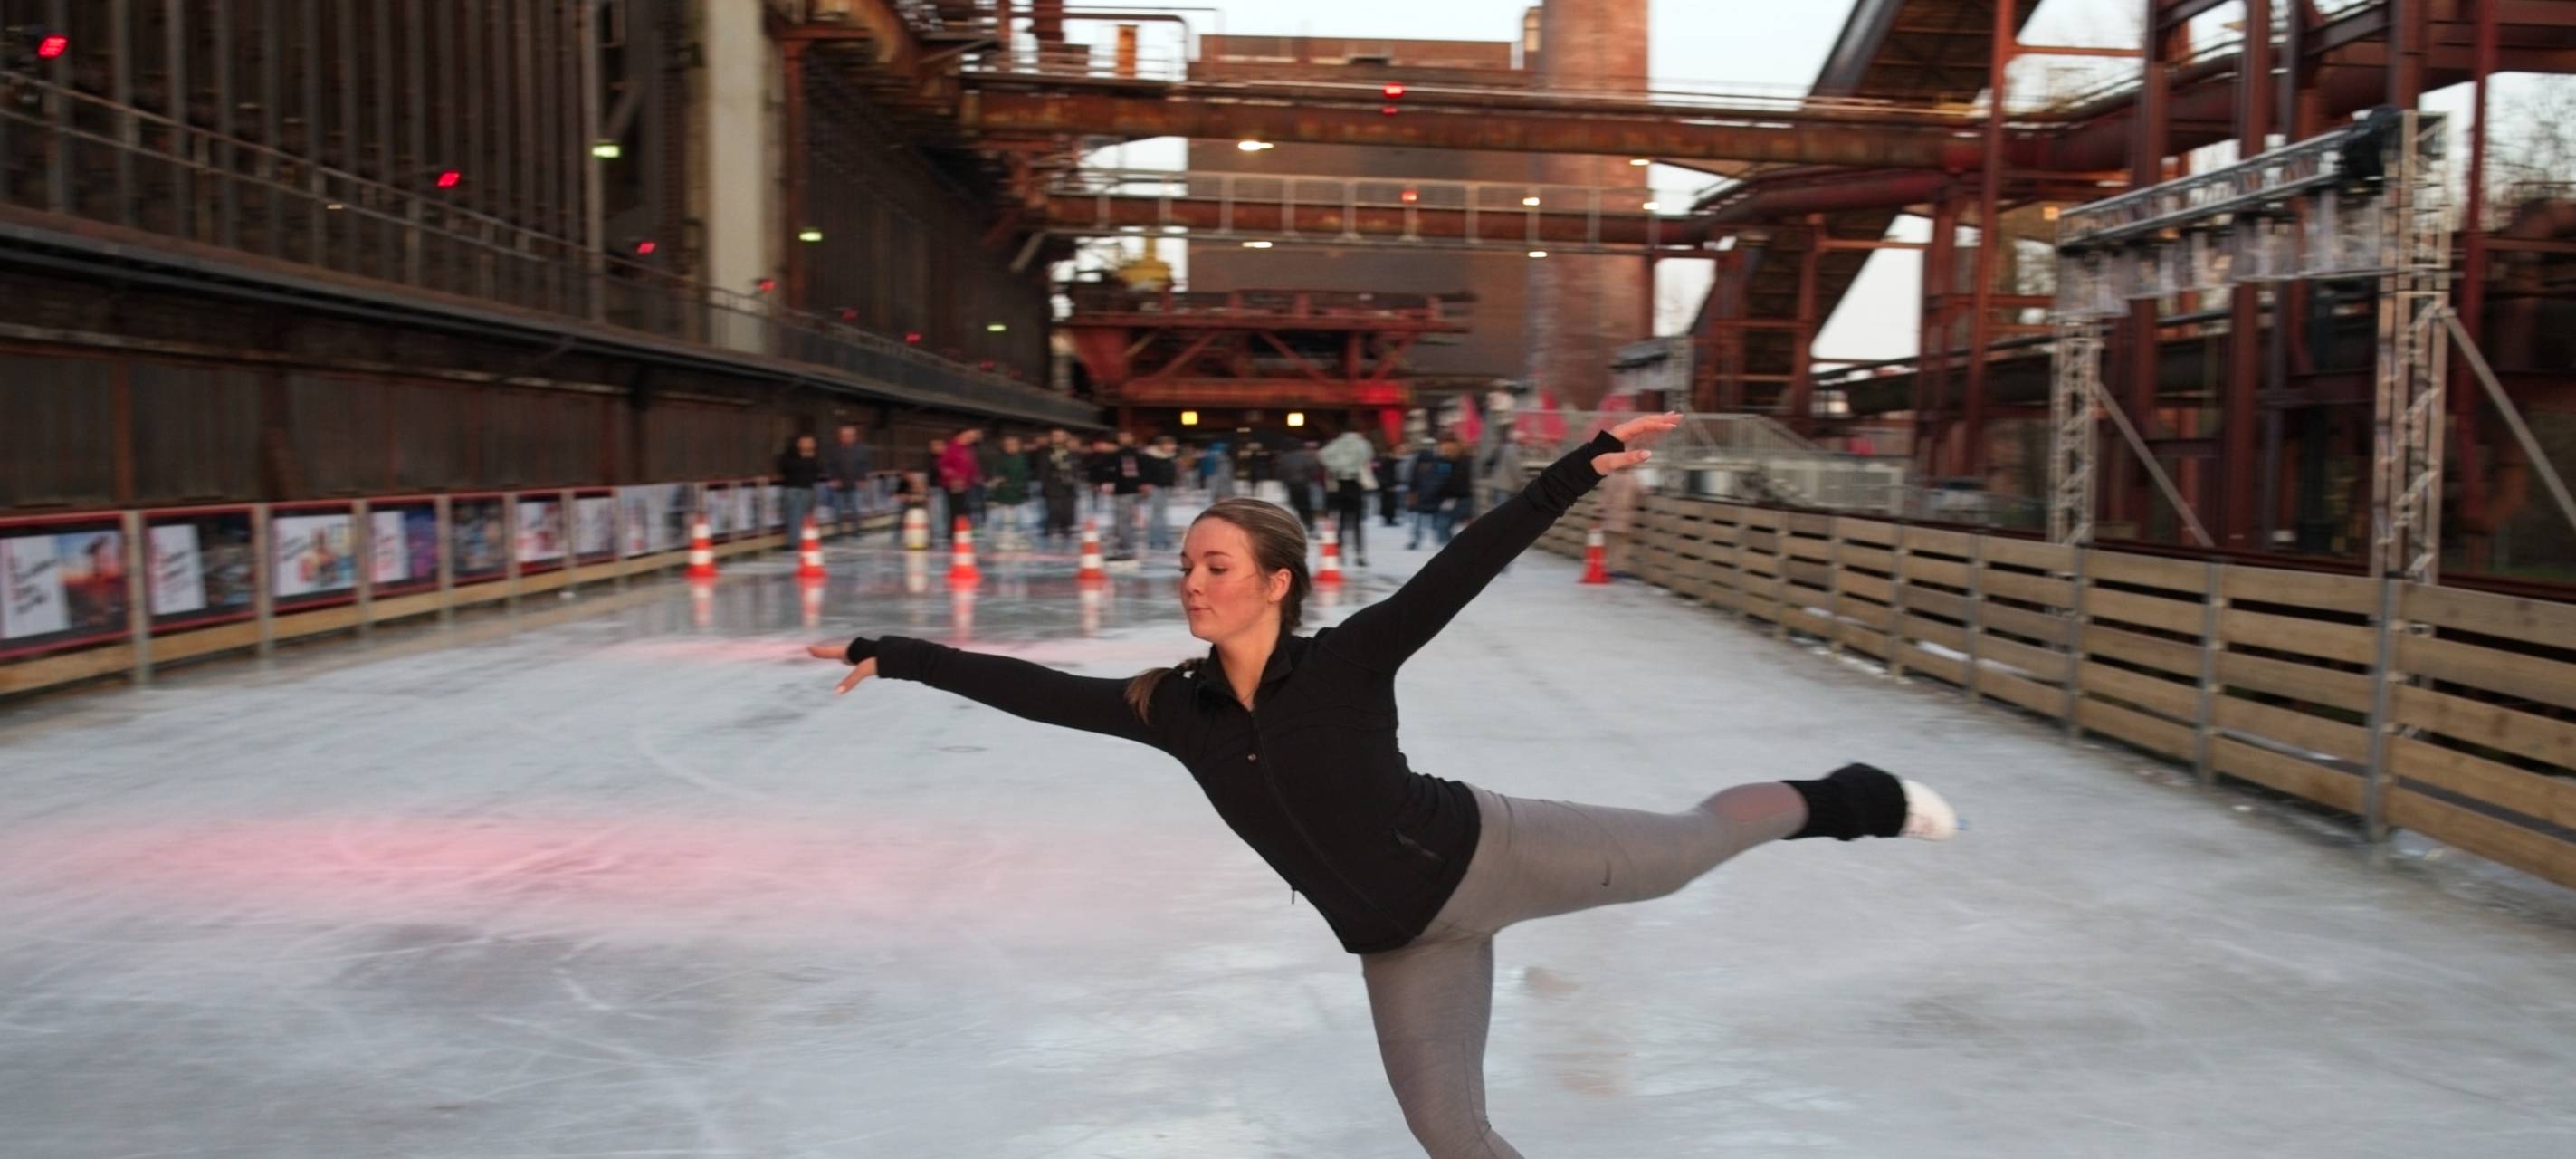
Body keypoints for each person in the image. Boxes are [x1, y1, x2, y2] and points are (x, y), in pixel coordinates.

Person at [805, 412, 1959, 1159]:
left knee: (1686, 848)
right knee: (1449, 1133)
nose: (1190, 581)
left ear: (1275, 580)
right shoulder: (1173, 709)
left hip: (1492, 849)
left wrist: (1573, 467)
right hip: (1404, 944)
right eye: (1185, 565)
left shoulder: (1349, 660)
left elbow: (1466, 560)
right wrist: (897, 652)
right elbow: (1032, 685)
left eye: (1213, 565)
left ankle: (1845, 797)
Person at [1318, 426, 1377, 567]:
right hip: (1355, 483)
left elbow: (1322, 455)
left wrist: (1334, 466)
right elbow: (1369, 456)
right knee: (1357, 522)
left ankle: (1340, 552)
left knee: (1342, 521)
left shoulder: (1336, 444)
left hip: (1339, 483)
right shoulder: (1362, 444)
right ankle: (1359, 554)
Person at [1035, 428, 1084, 547]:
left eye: (1060, 436)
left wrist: (1075, 479)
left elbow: (1076, 468)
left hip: (1069, 488)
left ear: (1066, 438)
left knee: (1068, 512)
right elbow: (1042, 471)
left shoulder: (1072, 452)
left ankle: (1067, 531)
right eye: (1055, 435)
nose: (1058, 438)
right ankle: (1051, 532)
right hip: (1052, 487)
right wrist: (1046, 485)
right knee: (1053, 511)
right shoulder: (1045, 452)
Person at [825, 423, 873, 537]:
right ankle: (838, 533)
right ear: (840, 436)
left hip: (855, 484)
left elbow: (865, 465)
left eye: (849, 435)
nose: (846, 437)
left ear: (854, 436)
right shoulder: (833, 449)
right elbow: (829, 465)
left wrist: (863, 479)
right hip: (838, 484)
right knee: (837, 511)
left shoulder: (861, 449)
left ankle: (857, 531)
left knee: (856, 509)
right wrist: (833, 479)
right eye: (844, 435)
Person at [1104, 430, 1148, 560]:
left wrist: (1142, 484)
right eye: (1122, 436)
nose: (1124, 439)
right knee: (1120, 517)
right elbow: (1110, 472)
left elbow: (1138, 472)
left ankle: (1125, 544)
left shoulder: (1136, 454)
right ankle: (1121, 542)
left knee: (1125, 518)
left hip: (1129, 490)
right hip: (1119, 489)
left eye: (1127, 436)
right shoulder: (1115, 455)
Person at [776, 434, 824, 550]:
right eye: (805, 442)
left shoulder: (815, 457)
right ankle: (793, 544)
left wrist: (810, 458)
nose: (808, 445)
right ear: (799, 443)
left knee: (807, 518)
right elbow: (784, 468)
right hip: (793, 489)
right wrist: (804, 459)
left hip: (808, 489)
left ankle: (806, 541)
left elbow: (818, 471)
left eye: (810, 442)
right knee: (793, 517)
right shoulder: (790, 455)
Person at [938, 431, 983, 545]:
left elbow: (971, 465)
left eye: (973, 438)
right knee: (955, 510)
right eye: (969, 436)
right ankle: (953, 535)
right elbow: (943, 465)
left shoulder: (967, 449)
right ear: (960, 435)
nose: (971, 439)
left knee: (964, 510)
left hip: (966, 484)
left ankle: (961, 532)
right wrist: (954, 478)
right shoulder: (951, 448)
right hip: (952, 485)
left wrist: (976, 476)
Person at [990, 434, 1034, 551]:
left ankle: (1019, 539)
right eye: (1007, 445)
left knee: (1021, 519)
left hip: (1019, 494)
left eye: (1013, 445)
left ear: (1019, 446)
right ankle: (1004, 540)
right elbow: (996, 476)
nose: (1010, 447)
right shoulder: (1000, 460)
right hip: (1004, 494)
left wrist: (1024, 490)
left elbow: (1024, 476)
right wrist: (996, 484)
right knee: (1005, 519)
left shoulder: (1022, 459)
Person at [1405, 439, 1450, 551]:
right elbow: (1413, 479)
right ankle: (1436, 541)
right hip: (1429, 495)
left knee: (1426, 520)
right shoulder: (1441, 461)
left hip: (1432, 495)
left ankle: (1435, 541)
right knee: (1424, 520)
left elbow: (1446, 478)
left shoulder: (1440, 461)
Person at [1143, 435, 1180, 552]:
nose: (1172, 447)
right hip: (1155, 487)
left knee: (1160, 514)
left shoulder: (1169, 457)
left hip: (1164, 487)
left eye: (1173, 444)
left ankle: (1159, 538)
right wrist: (1147, 484)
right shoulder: (1151, 457)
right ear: (1162, 445)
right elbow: (1146, 472)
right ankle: (1158, 539)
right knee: (1158, 514)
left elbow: (1171, 473)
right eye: (1169, 444)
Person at [1276, 439, 1320, 531]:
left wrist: (1284, 481)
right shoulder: (1304, 456)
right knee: (1305, 503)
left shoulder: (1284, 457)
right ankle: (1309, 522)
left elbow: (1280, 471)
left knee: (1295, 502)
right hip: (1303, 483)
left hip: (1291, 483)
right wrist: (1309, 477)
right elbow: (1312, 467)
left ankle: (1299, 521)